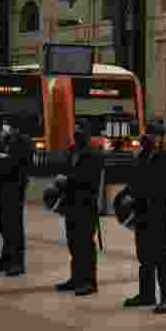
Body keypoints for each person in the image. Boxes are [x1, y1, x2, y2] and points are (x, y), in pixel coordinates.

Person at [124, 121, 166, 313]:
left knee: (161, 255)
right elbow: (134, 180)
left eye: (156, 135)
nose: (152, 138)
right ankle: (146, 294)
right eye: (149, 135)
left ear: (162, 138)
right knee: (144, 255)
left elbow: (159, 186)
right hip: (142, 212)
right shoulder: (142, 156)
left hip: (158, 213)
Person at [56, 123, 104, 296]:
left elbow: (89, 180)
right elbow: (65, 169)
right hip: (71, 204)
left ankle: (89, 282)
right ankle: (76, 278)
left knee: (85, 245)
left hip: (86, 205)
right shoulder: (71, 151)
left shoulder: (93, 153)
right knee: (73, 244)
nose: (76, 134)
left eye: (80, 131)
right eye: (75, 130)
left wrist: (67, 181)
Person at [0, 117, 34, 277]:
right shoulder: (3, 141)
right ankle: (5, 259)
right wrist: (2, 159)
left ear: (15, 128)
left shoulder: (24, 142)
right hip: (2, 187)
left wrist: (1, 160)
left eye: (7, 127)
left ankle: (18, 263)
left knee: (15, 226)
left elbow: (16, 164)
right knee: (3, 225)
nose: (4, 129)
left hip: (15, 188)